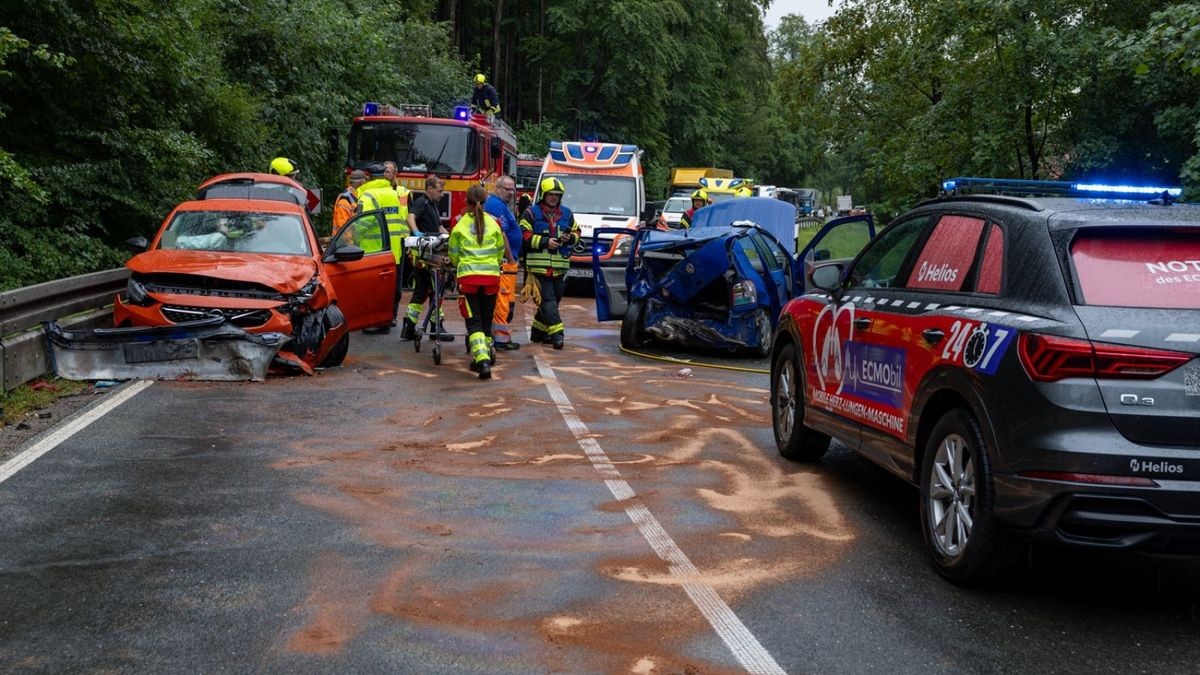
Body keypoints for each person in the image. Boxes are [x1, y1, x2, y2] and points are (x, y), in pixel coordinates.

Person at [449, 185, 505, 379]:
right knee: (487, 320)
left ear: (467, 202)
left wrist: (461, 266)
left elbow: (453, 255)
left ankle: (482, 361)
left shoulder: (460, 225)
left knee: (474, 323)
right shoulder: (494, 222)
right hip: (491, 279)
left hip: (469, 280)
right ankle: (486, 354)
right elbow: (500, 252)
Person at [520, 177, 579, 349]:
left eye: (557, 195)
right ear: (544, 195)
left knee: (555, 299)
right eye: (551, 194)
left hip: (559, 268)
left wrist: (570, 238)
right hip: (538, 267)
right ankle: (557, 335)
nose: (554, 197)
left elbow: (577, 232)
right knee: (548, 301)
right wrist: (546, 242)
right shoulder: (531, 213)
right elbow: (524, 235)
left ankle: (538, 333)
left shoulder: (567, 214)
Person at [357, 163, 411, 334]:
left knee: (371, 289)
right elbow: (400, 219)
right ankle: (386, 320)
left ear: (368, 177)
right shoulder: (393, 194)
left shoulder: (367, 195)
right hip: (393, 249)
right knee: (389, 288)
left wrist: (351, 236)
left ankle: (374, 321)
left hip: (372, 251)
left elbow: (363, 222)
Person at [403, 175, 453, 341]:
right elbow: (410, 218)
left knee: (423, 291)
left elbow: (438, 226)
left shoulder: (432, 205)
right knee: (434, 290)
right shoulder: (422, 202)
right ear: (429, 189)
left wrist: (448, 235)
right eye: (439, 191)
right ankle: (435, 328)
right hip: (425, 256)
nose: (441, 194)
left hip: (428, 254)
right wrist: (417, 233)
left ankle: (410, 327)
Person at [484, 176, 521, 351]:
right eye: (507, 189)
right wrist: (511, 258)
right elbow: (502, 234)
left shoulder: (500, 205)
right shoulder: (496, 206)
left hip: (506, 261)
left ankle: (500, 338)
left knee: (505, 301)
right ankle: (500, 340)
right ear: (498, 188)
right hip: (505, 262)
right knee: (502, 301)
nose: (511, 193)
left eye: (513, 189)